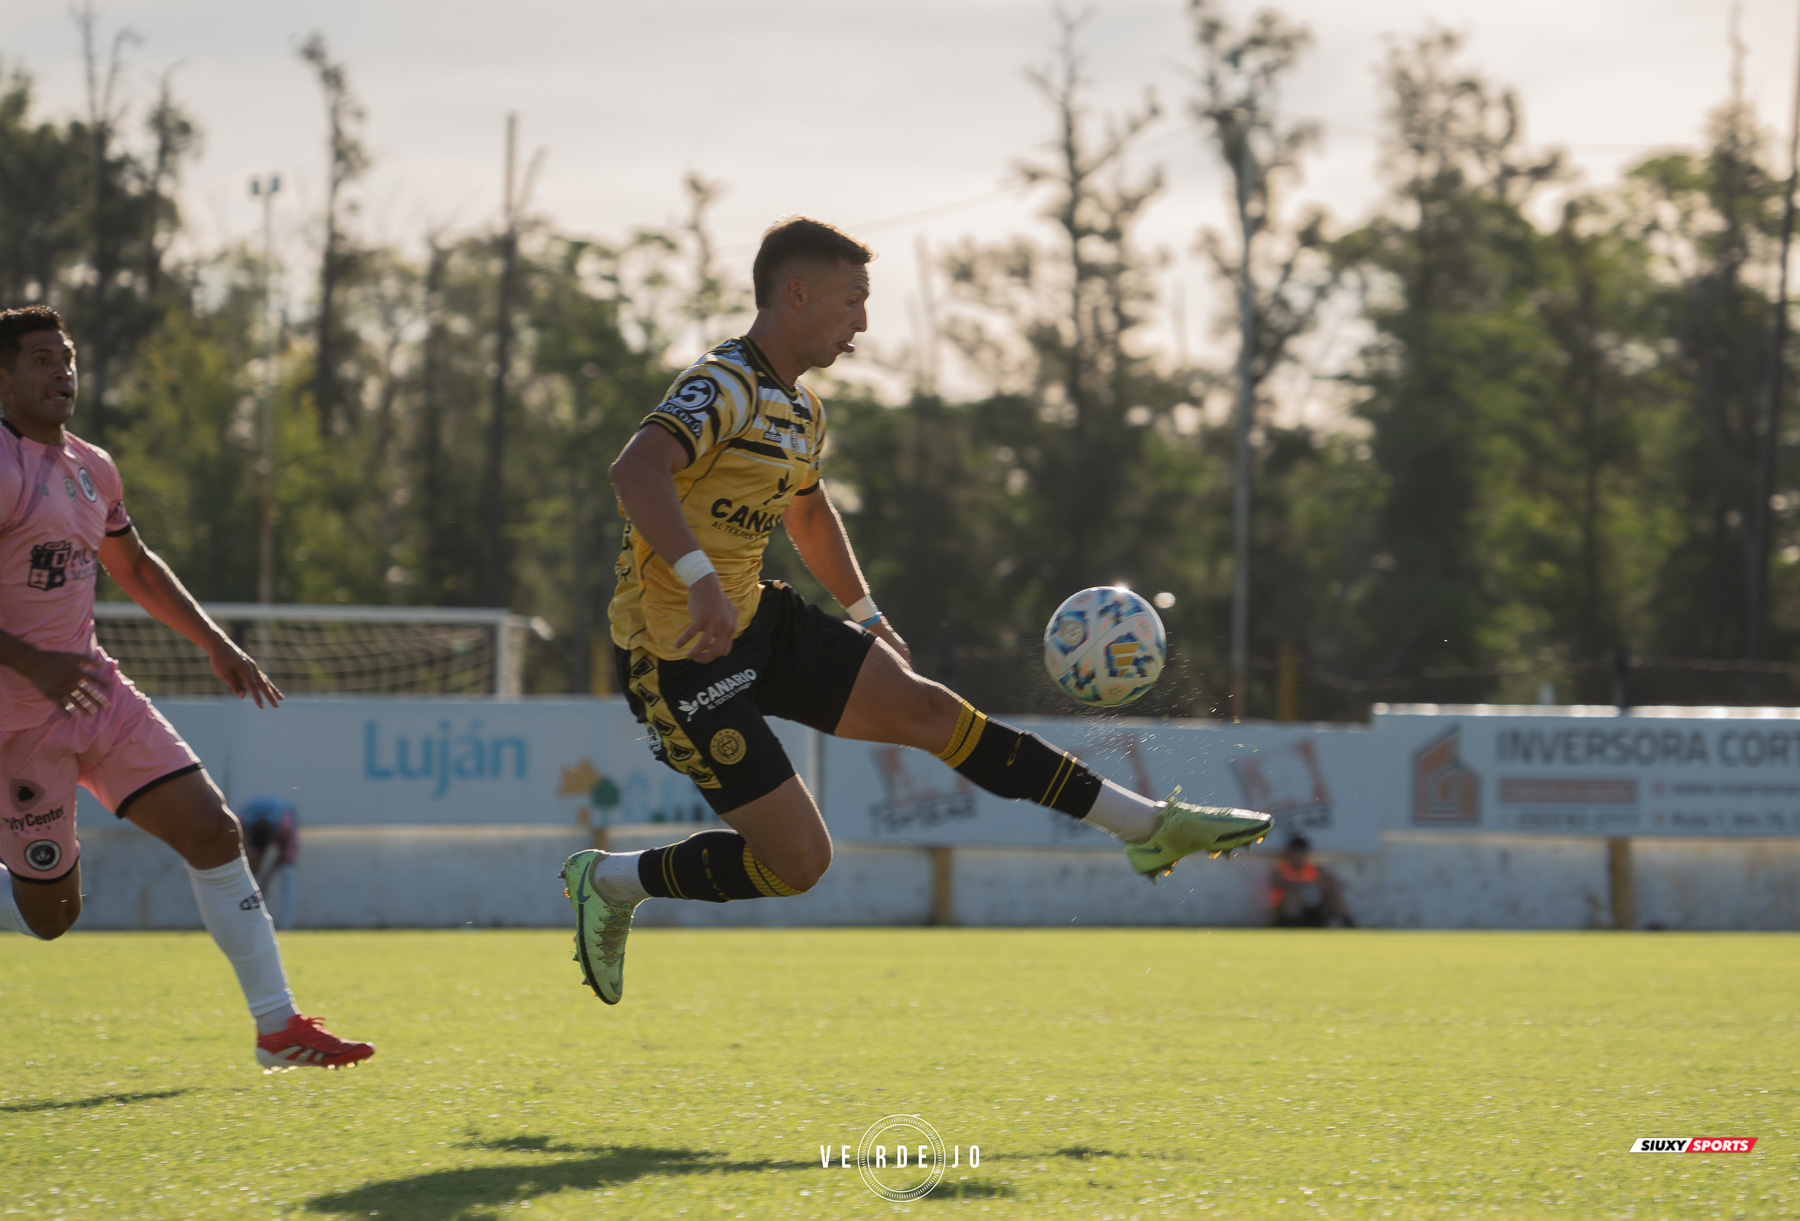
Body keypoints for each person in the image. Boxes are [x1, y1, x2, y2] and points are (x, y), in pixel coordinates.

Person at [559, 218, 1274, 1004]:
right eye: (852, 300)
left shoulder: (801, 410)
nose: (862, 321)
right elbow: (636, 471)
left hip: (758, 621)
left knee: (933, 710)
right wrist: (697, 577)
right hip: (680, 653)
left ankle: (1145, 828)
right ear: (797, 295)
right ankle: (614, 881)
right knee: (798, 865)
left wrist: (865, 612)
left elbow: (807, 512)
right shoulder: (721, 383)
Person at [0, 306, 373, 1070]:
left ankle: (277, 1027)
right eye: (41, 359)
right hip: (16, 723)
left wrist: (216, 642)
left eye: (67, 357)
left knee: (213, 829)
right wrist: (31, 662)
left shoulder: (91, 465)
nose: (61, 372)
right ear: (2, 376)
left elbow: (132, 565)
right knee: (52, 917)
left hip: (97, 693)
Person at [241, 796, 299, 931]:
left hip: (285, 816)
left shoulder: (285, 825)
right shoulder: (242, 823)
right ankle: (251, 922)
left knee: (287, 875)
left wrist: (266, 881)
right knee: (249, 875)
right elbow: (243, 856)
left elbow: (284, 856)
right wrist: (256, 880)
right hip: (249, 824)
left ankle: (286, 927)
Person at [1268, 836, 1352, 927]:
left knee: (1335, 898)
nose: (1298, 856)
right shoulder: (1281, 870)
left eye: (1301, 852)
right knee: (1293, 897)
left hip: (1313, 909)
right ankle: (1291, 928)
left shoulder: (1313, 869)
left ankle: (1351, 929)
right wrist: (1305, 886)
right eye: (1295, 852)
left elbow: (1333, 883)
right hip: (1287, 912)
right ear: (1289, 853)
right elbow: (1279, 882)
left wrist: (1323, 886)